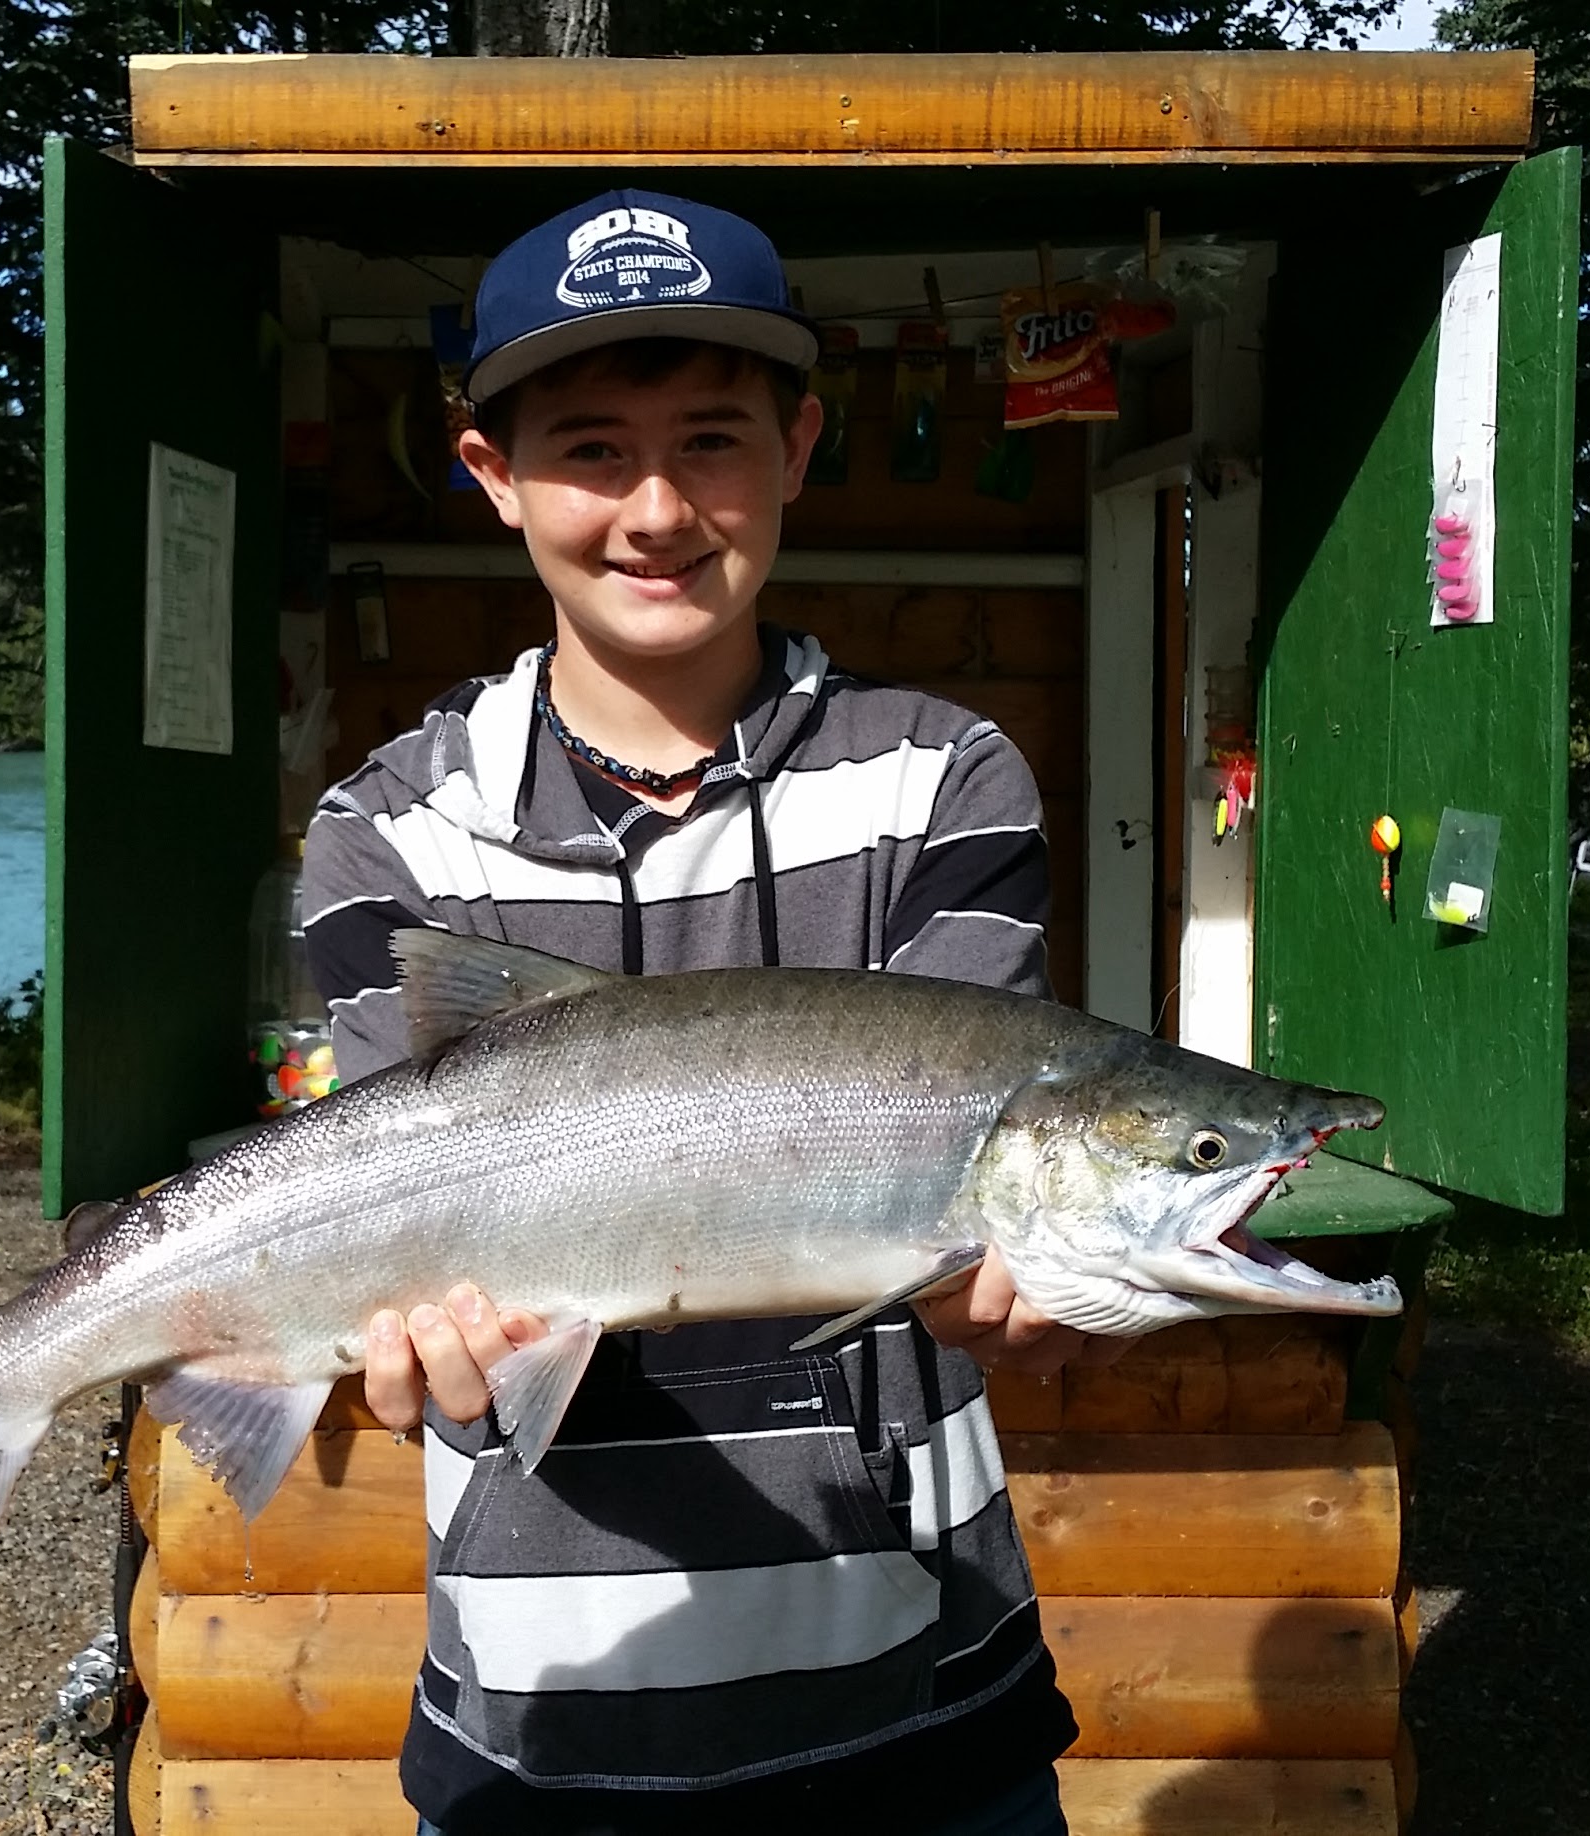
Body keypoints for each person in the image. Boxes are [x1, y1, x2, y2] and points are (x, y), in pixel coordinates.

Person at [300, 190, 1121, 1836]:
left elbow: (973, 1215)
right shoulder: (387, 828)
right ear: (494, 476)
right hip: (542, 1725)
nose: (659, 508)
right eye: (593, 447)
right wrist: (399, 1340)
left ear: (802, 447)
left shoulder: (943, 781)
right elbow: (404, 1240)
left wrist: (1034, 1277)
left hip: (922, 1705)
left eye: (714, 441)